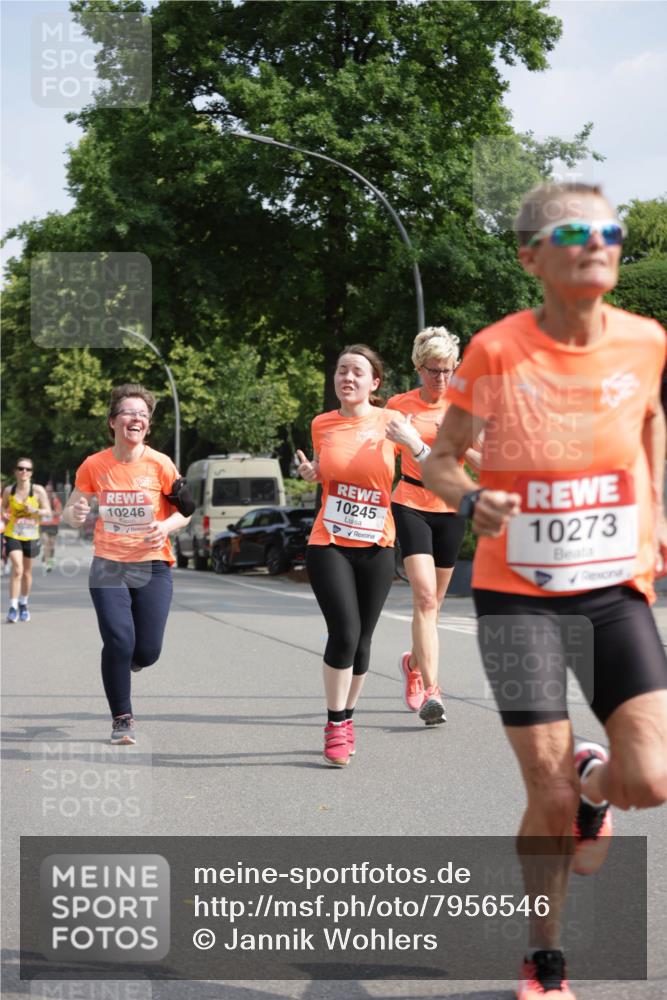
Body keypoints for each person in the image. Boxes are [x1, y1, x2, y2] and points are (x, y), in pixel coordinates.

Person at [424, 182, 667, 999]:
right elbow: (440, 459)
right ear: (531, 257)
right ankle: (543, 955)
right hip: (515, 596)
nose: (596, 241)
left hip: (611, 588)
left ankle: (596, 790)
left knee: (649, 779)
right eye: (573, 232)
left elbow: (649, 417)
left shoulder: (644, 341)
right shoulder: (496, 351)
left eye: (609, 230)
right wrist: (469, 499)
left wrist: (655, 511)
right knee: (545, 788)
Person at [63, 384, 194, 746]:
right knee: (119, 640)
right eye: (129, 412)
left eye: (143, 414)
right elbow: (72, 511)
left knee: (147, 651)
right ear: (112, 421)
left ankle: (131, 659)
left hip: (153, 564)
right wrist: (75, 514)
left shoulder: (160, 463)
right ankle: (122, 717)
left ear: (147, 425)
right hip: (109, 564)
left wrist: (166, 526)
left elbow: (185, 511)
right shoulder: (94, 464)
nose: (136, 418)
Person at [297, 345, 401, 767]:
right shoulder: (322, 423)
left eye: (357, 371)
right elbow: (325, 470)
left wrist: (416, 443)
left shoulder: (392, 421)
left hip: (377, 542)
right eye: (342, 370)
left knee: (362, 641)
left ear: (374, 382)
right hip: (329, 540)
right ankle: (335, 723)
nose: (348, 378)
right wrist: (313, 473)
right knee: (344, 632)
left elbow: (429, 466)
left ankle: (349, 716)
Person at [385, 327, 480, 725]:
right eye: (433, 370)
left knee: (434, 606)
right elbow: (379, 458)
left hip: (451, 507)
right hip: (411, 502)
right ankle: (432, 692)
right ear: (418, 367)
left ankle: (413, 665)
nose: (441, 378)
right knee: (424, 598)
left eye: (448, 370)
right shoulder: (398, 406)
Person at [2, 458, 51, 622]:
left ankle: (23, 603)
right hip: (13, 533)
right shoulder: (9, 490)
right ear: (15, 471)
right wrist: (4, 514)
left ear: (31, 473)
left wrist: (35, 510)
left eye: (27, 469)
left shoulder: (38, 491)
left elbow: (48, 511)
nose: (24, 472)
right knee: (17, 569)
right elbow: (3, 506)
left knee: (27, 573)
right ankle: (13, 607)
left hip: (31, 536)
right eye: (20, 468)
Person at [41, 483, 62, 572]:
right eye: (46, 491)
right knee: (46, 543)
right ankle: (48, 564)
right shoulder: (41, 501)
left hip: (53, 525)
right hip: (44, 525)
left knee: (52, 545)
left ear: (52, 492)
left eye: (50, 491)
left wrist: (49, 513)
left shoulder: (55, 501)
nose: (48, 493)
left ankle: (48, 557)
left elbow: (59, 512)